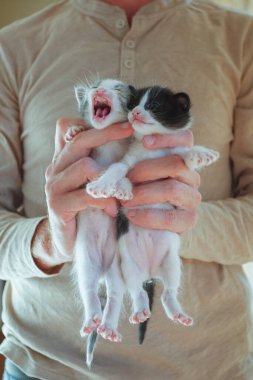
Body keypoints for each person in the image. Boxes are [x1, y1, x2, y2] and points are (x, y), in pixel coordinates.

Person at [0, 0, 253, 378]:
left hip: (212, 366)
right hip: (43, 364)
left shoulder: (244, 40)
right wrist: (51, 239)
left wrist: (171, 219)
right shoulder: (10, 48)